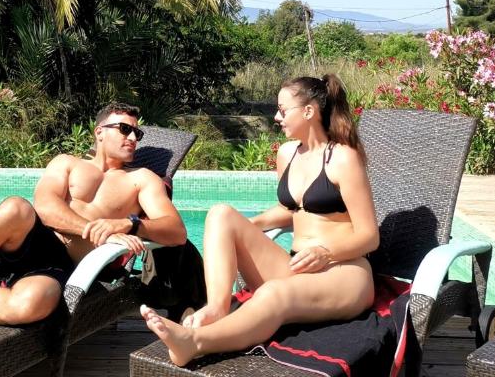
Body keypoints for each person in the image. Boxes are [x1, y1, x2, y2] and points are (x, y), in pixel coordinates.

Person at [0, 101, 188, 337]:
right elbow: (44, 208)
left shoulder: (142, 179)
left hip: (64, 269)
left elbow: (176, 232)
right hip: (33, 241)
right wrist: (99, 232)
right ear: (100, 131)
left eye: (138, 133)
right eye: (125, 129)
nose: (133, 137)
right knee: (16, 207)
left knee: (30, 306)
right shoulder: (66, 163)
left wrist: (130, 224)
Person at [141, 74, 379, 365]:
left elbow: (370, 235)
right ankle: (217, 308)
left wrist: (326, 252)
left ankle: (194, 342)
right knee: (220, 214)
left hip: (343, 271)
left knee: (274, 293)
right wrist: (248, 226)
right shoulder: (288, 153)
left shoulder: (343, 158)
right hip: (297, 265)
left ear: (308, 111)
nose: (277, 117)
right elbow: (294, 210)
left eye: (282, 109)